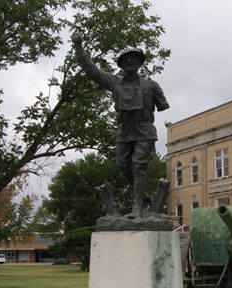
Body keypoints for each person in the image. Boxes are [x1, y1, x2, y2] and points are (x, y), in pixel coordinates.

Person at [71, 32, 169, 219]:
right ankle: (143, 196)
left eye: (134, 59)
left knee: (138, 166)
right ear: (122, 64)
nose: (130, 62)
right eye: (126, 59)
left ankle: (137, 207)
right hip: (125, 130)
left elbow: (162, 105)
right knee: (123, 165)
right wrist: (78, 48)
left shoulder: (151, 86)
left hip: (144, 129)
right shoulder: (115, 83)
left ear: (140, 63)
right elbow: (92, 70)